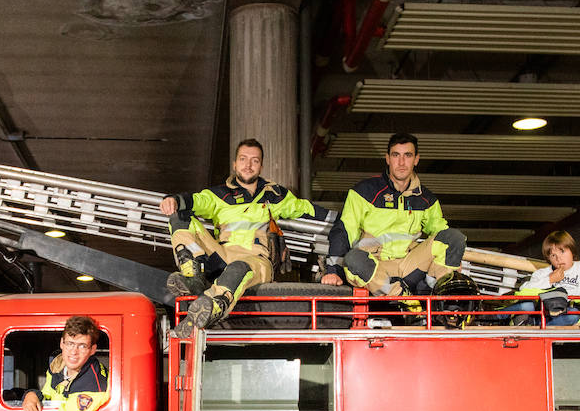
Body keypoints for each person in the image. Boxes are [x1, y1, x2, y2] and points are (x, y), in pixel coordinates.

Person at [160, 138, 332, 336]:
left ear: (261, 166)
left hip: (256, 260)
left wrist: (344, 221)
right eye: (243, 159)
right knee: (180, 215)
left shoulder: (274, 195)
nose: (248, 165)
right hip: (222, 255)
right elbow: (194, 200)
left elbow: (306, 209)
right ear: (234, 164)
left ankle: (211, 308)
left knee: (239, 268)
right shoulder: (219, 194)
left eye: (254, 161)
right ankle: (193, 275)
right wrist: (172, 200)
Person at [325, 133, 467, 300]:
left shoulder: (426, 199)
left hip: (410, 265)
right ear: (387, 159)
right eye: (396, 155)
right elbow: (344, 230)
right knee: (353, 258)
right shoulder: (364, 191)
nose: (401, 162)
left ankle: (438, 294)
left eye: (407, 155)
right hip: (375, 267)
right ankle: (404, 300)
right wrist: (333, 271)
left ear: (416, 159)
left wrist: (453, 258)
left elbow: (442, 235)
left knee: (454, 238)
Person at [502, 230, 580, 327]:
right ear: (548, 258)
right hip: (547, 313)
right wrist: (550, 279)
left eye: (562, 251)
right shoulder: (542, 273)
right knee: (527, 306)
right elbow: (524, 290)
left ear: (572, 250)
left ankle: (535, 324)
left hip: (569, 313)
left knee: (573, 314)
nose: (559, 259)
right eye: (553, 255)